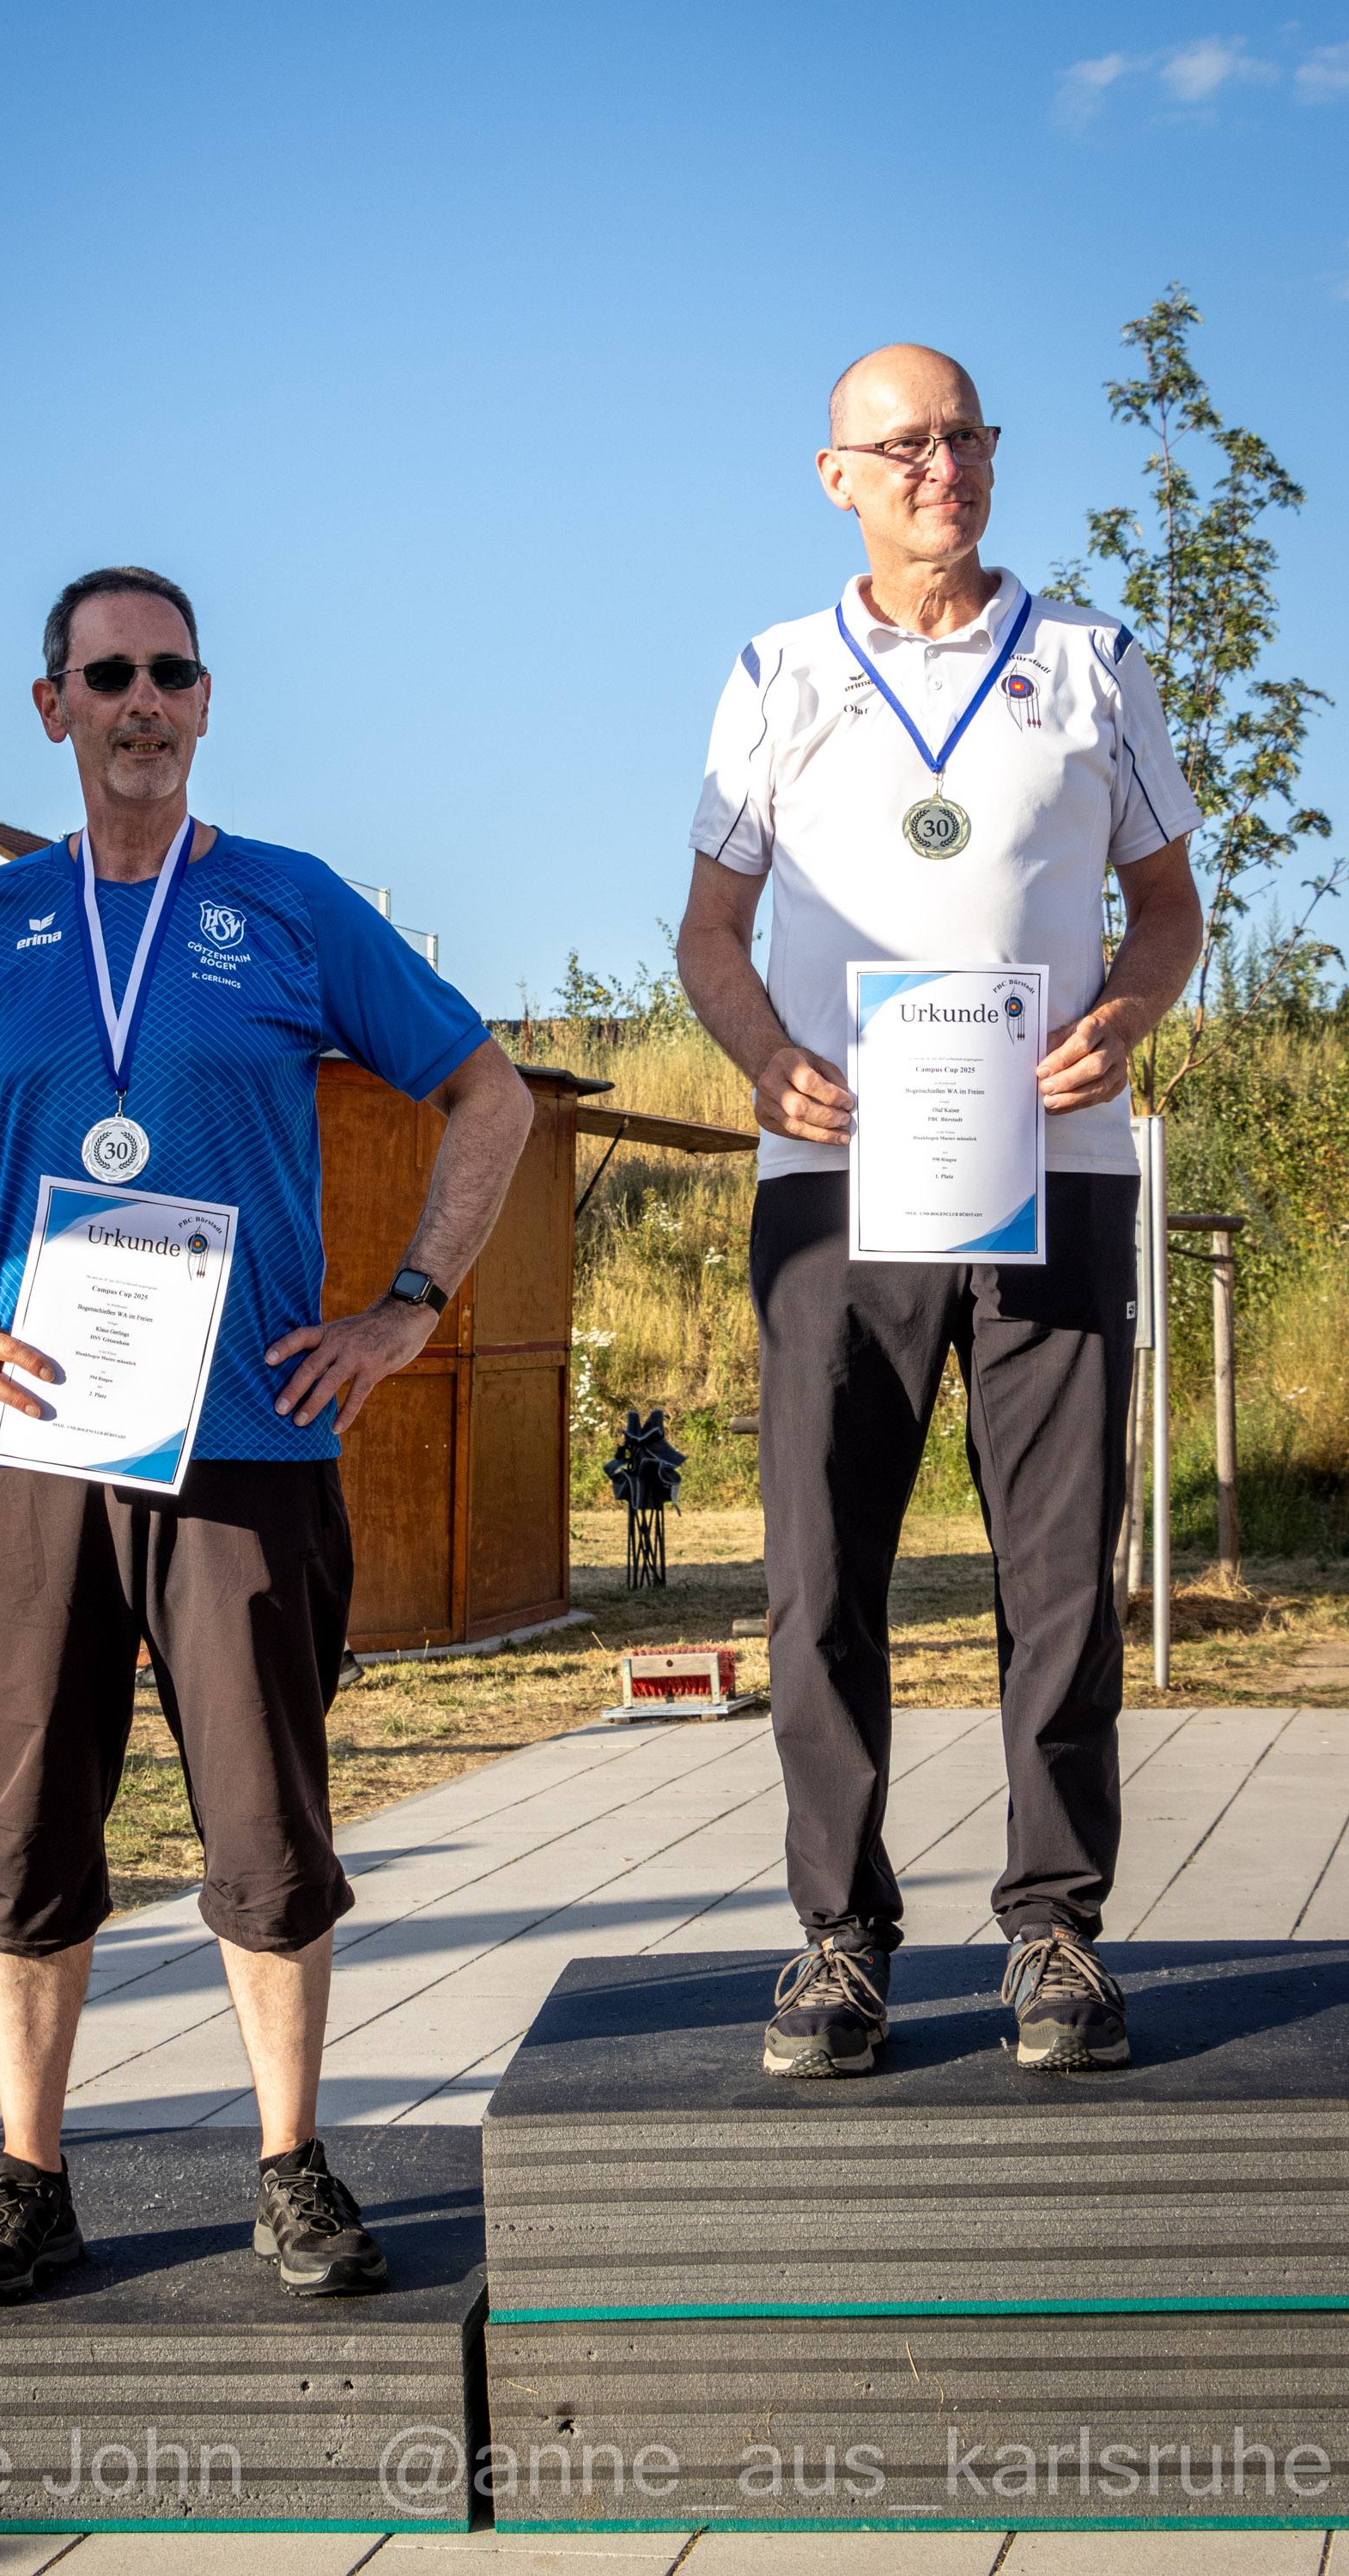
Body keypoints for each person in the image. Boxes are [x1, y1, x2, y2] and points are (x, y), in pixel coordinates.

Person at [0, 564, 533, 2300]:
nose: (142, 702)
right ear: (53, 707)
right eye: (108, 676)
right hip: (35, 1444)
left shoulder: (291, 904)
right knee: (28, 1835)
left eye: (171, 671)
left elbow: (489, 1094)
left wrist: (407, 1307)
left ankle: (292, 2167)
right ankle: (28, 2178)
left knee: (264, 1829)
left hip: (249, 1443)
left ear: (207, 699)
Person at [676, 346, 1204, 2078]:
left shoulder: (1093, 662)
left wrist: (1125, 1017)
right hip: (835, 1180)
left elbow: (1167, 910)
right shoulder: (775, 672)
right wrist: (764, 1058)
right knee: (821, 1572)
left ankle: (1055, 1929)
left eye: (964, 436)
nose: (939, 467)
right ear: (835, 474)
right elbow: (709, 933)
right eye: (900, 444)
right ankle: (840, 1939)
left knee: (1058, 1571)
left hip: (1056, 1171)